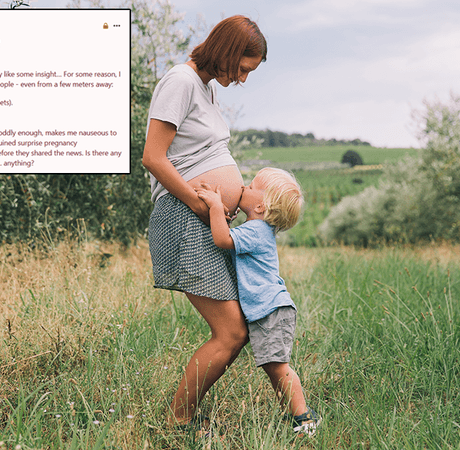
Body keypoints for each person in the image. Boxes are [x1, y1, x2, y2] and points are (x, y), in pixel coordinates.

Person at [141, 15, 265, 432]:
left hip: (201, 218)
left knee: (236, 329)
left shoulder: (206, 89)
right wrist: (199, 203)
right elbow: (153, 158)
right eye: (244, 68)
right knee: (231, 332)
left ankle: (182, 416)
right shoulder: (180, 81)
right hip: (182, 218)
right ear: (229, 53)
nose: (244, 79)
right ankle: (177, 420)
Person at [196, 168, 322, 436]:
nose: (244, 185)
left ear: (260, 205)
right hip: (271, 310)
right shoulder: (258, 229)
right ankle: (296, 417)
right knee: (273, 366)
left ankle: (304, 419)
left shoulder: (256, 230)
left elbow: (221, 239)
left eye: (251, 184)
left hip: (271, 311)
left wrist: (216, 207)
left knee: (278, 366)